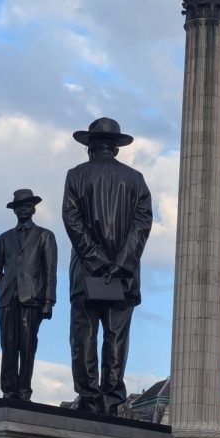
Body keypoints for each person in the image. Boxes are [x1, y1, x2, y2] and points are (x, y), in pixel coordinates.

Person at [63, 117, 152, 415]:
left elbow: (72, 221)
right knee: (116, 338)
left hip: (86, 273)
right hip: (124, 276)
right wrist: (122, 263)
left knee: (84, 337)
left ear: (90, 147)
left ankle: (89, 399)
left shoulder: (75, 175)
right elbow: (142, 224)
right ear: (116, 148)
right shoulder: (135, 179)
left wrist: (97, 262)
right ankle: (112, 400)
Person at [0, 188, 57, 400]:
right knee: (8, 345)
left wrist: (48, 301)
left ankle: (24, 390)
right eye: (19, 206)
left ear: (34, 208)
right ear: (15, 210)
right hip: (8, 299)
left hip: (32, 299)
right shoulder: (4, 238)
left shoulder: (45, 236)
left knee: (27, 346)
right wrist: (6, 287)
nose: (23, 209)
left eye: (27, 205)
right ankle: (8, 389)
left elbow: (50, 270)